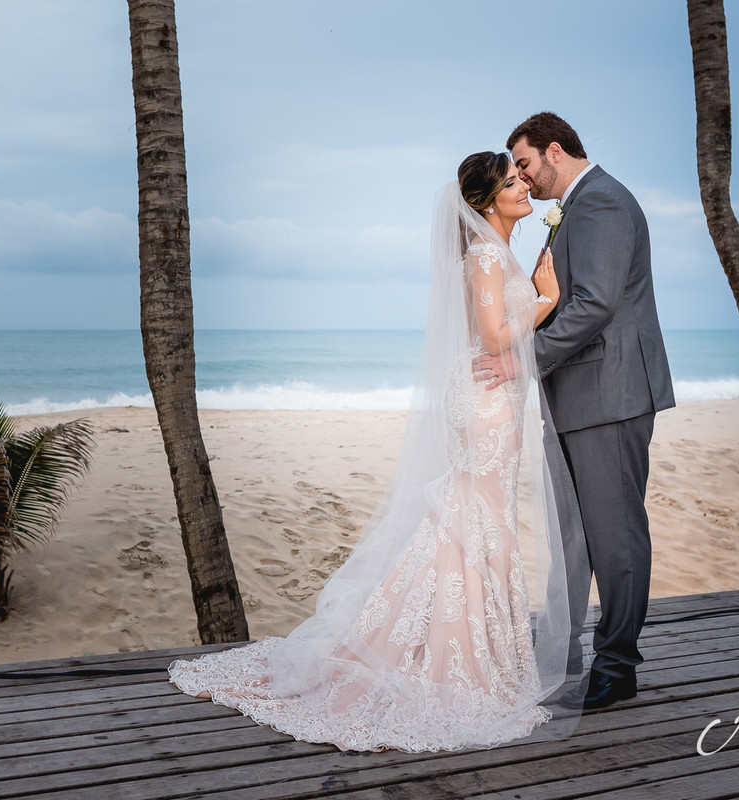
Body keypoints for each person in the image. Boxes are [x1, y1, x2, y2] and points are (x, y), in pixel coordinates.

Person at [168, 152, 589, 752]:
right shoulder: (488, 257)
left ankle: (468, 647)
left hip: (490, 398)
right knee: (476, 515)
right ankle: (450, 654)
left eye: (523, 179)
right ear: (483, 202)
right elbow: (496, 336)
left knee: (477, 514)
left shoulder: (496, 254)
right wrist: (546, 299)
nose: (525, 188)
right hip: (485, 404)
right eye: (512, 182)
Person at [476, 112, 675, 710]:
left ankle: (617, 667)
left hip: (609, 394)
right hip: (576, 393)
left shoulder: (603, 204)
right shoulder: (579, 207)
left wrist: (522, 361)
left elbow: (594, 305)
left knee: (614, 534)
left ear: (555, 151)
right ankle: (562, 651)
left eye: (527, 164)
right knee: (573, 534)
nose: (524, 179)